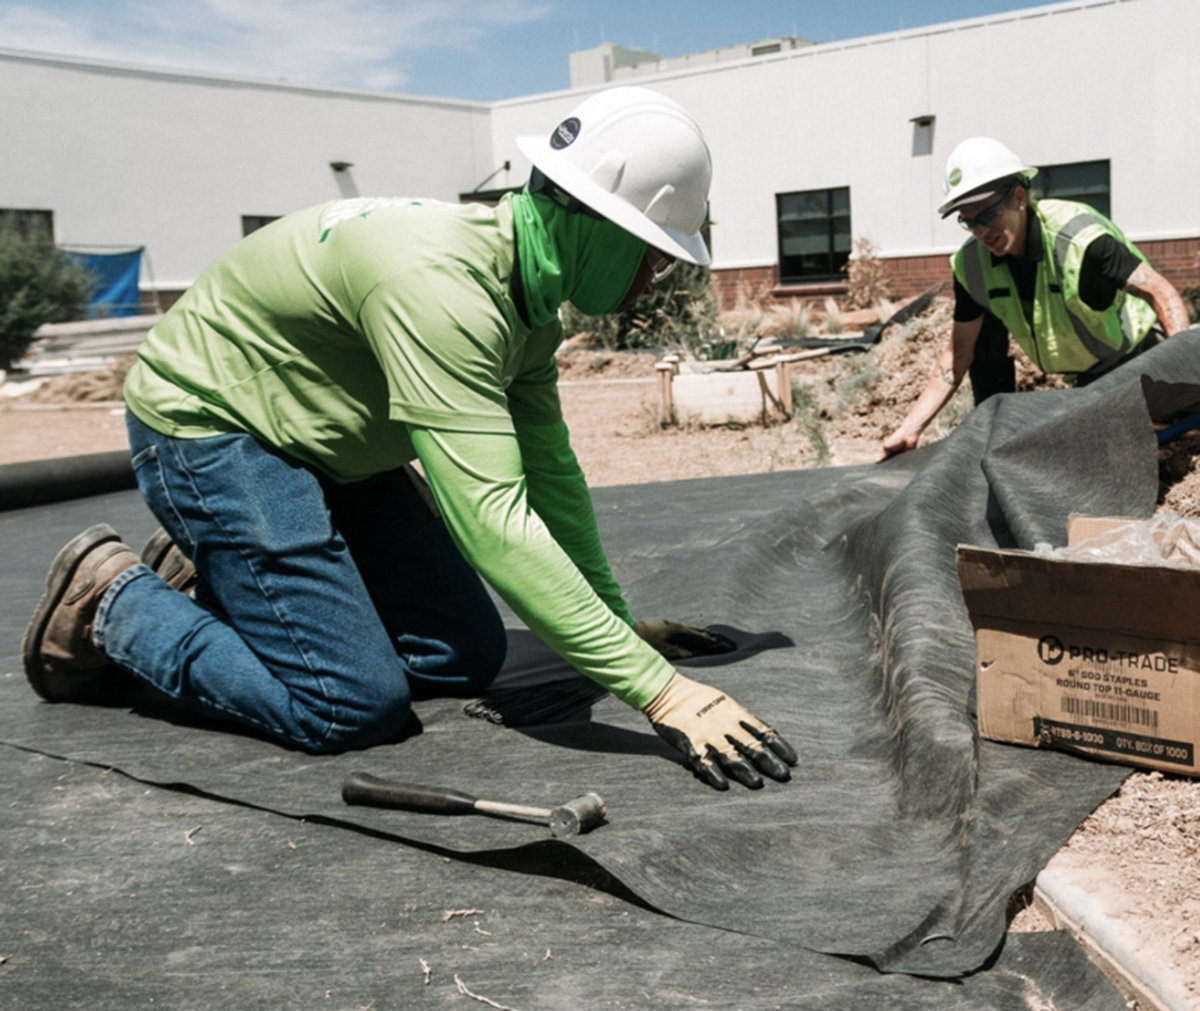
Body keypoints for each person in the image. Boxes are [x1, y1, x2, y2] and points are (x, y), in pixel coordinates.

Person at [22, 86, 797, 792]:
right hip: (214, 431)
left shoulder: (526, 297)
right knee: (349, 703)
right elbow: (494, 522)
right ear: (590, 222)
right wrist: (659, 690)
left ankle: (217, 574)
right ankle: (113, 601)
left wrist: (619, 626)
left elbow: (549, 476)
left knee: (464, 656)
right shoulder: (446, 292)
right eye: (653, 249)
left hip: (326, 447)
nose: (656, 273)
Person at [881, 136, 1189, 459]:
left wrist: (1183, 371)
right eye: (968, 222)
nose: (981, 232)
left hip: (1138, 358)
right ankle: (994, 439)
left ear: (1018, 197)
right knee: (984, 334)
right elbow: (957, 355)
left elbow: (1161, 291)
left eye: (987, 216)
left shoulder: (1080, 240)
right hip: (1087, 378)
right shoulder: (971, 266)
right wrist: (910, 429)